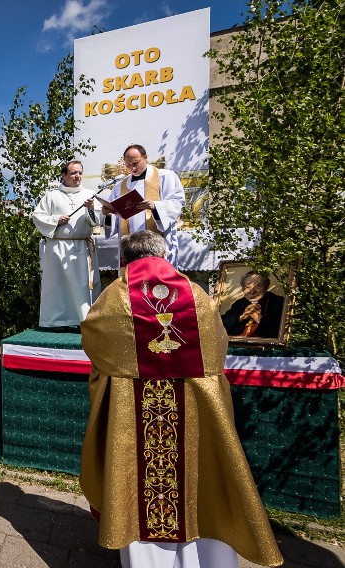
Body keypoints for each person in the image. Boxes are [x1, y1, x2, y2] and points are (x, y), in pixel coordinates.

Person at [79, 231, 283, 568]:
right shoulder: (198, 296)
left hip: (132, 413)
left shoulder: (115, 297)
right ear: (165, 255)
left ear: (124, 260)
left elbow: (94, 339)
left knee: (138, 499)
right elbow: (218, 349)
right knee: (202, 487)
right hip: (195, 413)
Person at [32, 160, 102, 329]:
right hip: (56, 248)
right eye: (73, 173)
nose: (77, 176)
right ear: (64, 175)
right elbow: (37, 216)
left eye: (79, 173)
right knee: (57, 286)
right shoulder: (51, 196)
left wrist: (90, 208)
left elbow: (95, 222)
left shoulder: (90, 194)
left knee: (82, 285)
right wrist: (56, 219)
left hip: (80, 248)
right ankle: (56, 321)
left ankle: (84, 320)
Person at [104, 145, 185, 266]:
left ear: (145, 158)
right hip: (131, 247)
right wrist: (109, 214)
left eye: (136, 163)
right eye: (128, 165)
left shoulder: (165, 177)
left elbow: (177, 202)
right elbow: (117, 216)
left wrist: (156, 206)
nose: (132, 168)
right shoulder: (120, 186)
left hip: (158, 242)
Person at [221, 271, 285, 339]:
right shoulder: (240, 303)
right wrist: (241, 317)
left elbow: (279, 332)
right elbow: (221, 324)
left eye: (258, 286)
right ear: (243, 289)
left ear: (266, 286)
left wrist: (258, 319)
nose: (252, 291)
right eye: (247, 287)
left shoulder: (278, 302)